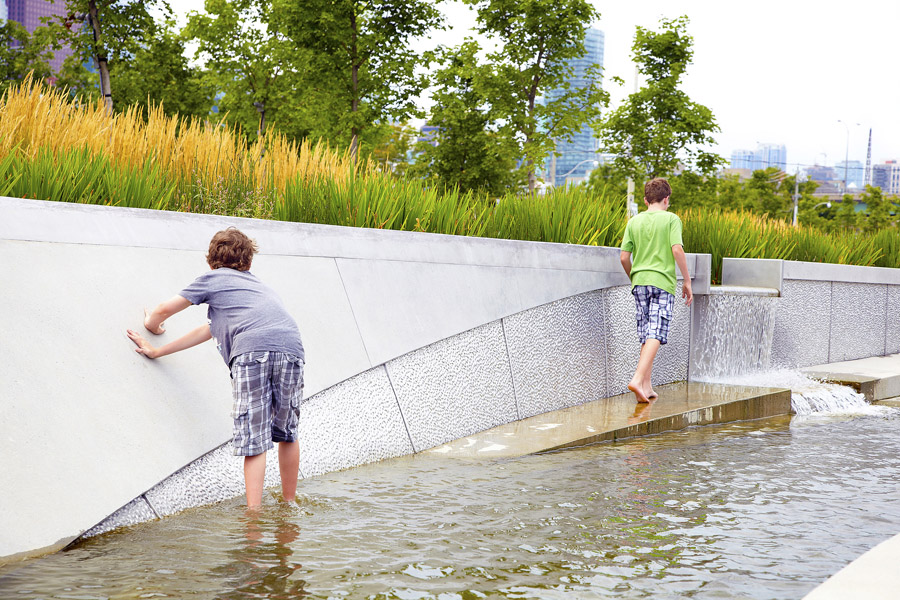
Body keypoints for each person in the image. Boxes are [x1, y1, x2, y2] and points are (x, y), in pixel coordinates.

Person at [126, 227, 305, 508]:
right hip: (291, 349)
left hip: (252, 352)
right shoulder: (257, 289)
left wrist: (153, 326)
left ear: (211, 260)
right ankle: (290, 503)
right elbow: (208, 330)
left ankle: (254, 517)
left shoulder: (212, 279)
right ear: (248, 262)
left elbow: (163, 309)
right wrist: (158, 352)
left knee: (254, 438)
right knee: (287, 433)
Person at [619, 178, 693, 404]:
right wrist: (687, 281)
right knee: (656, 332)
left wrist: (635, 276)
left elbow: (624, 257)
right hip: (662, 282)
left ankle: (646, 385)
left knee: (646, 333)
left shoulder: (634, 221)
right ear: (667, 199)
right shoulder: (671, 219)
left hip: (639, 281)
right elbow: (677, 249)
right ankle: (637, 378)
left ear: (645, 200)